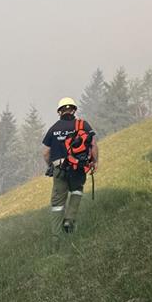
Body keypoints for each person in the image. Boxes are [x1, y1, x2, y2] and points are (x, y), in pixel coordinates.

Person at [42, 97, 98, 244]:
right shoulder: (82, 125)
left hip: (59, 168)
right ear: (73, 110)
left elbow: (46, 152)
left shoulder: (54, 128)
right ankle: (69, 220)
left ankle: (56, 240)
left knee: (58, 203)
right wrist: (94, 161)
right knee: (77, 191)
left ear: (59, 112)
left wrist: (50, 166)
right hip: (77, 167)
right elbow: (93, 144)